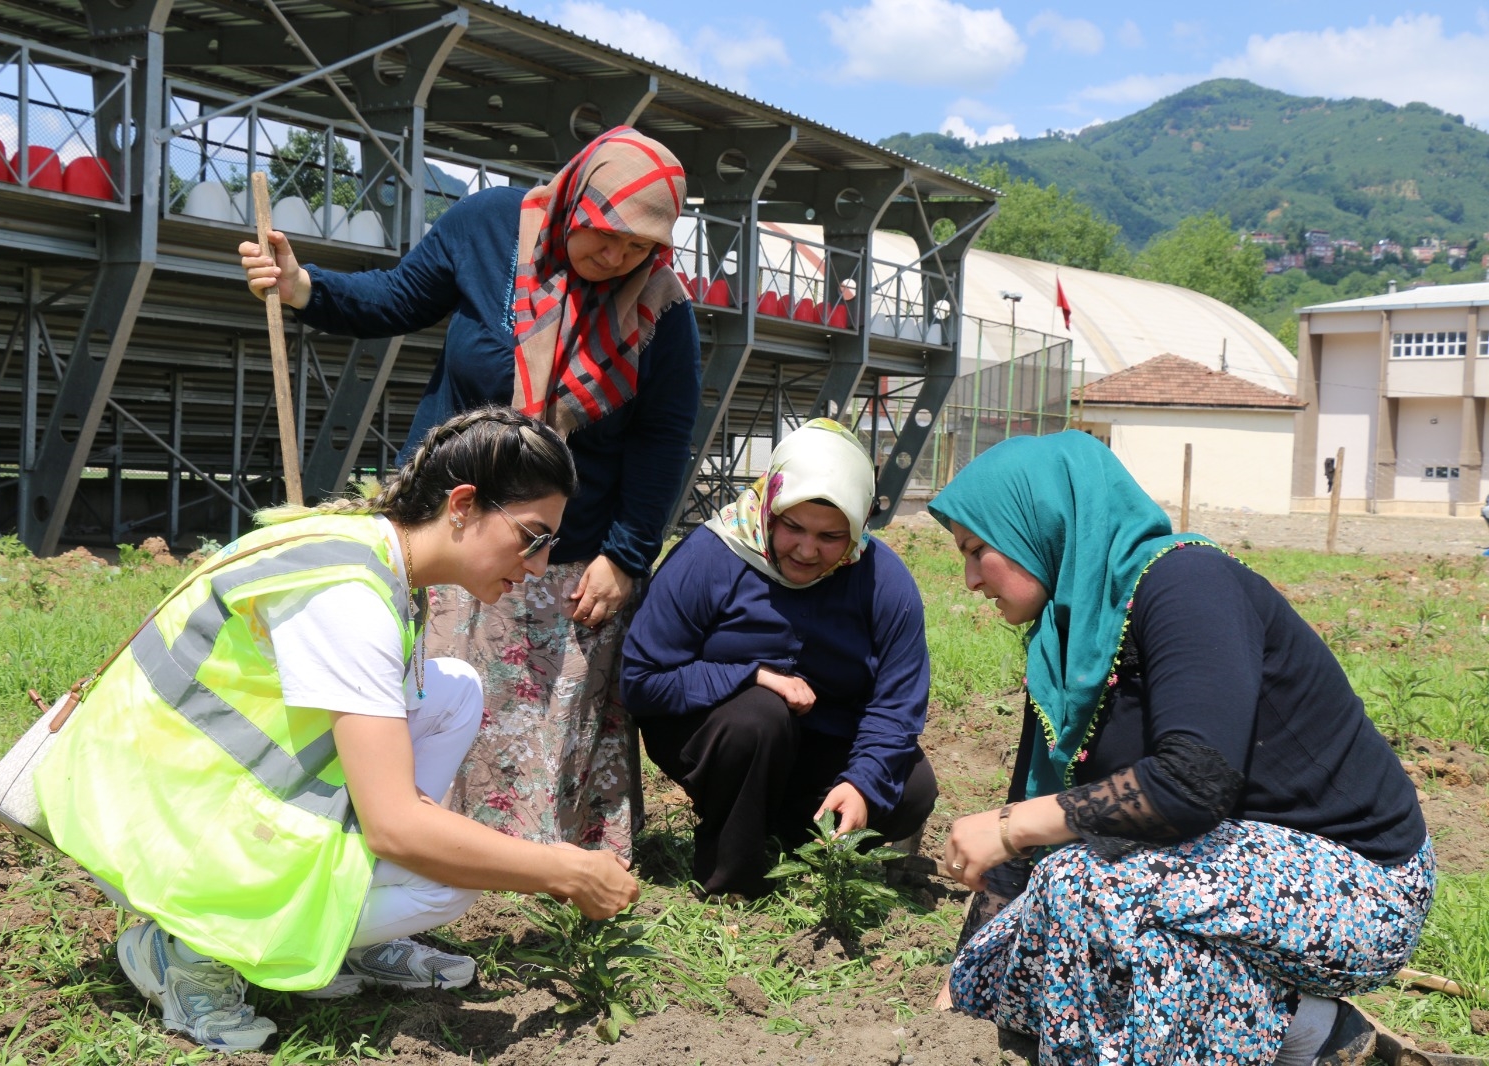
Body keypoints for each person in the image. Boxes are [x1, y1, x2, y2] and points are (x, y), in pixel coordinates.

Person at [34, 408, 639, 1052]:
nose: (541, 565)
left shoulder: (372, 553)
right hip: (149, 818)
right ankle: (184, 946)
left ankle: (343, 937)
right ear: (463, 504)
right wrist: (564, 870)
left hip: (177, 778)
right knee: (447, 882)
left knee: (454, 690)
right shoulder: (349, 598)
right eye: (532, 537)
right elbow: (397, 827)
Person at [240, 126, 700, 855]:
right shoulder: (488, 228)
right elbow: (393, 299)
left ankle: (540, 855)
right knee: (417, 694)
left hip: (567, 552)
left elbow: (663, 440)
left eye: (638, 247)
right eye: (602, 235)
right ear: (574, 199)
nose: (614, 258)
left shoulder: (662, 310)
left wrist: (628, 554)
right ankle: (407, 837)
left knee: (545, 713)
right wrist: (304, 287)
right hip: (450, 528)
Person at [927, 432, 1433, 1066]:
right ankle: (1313, 1033)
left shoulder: (1187, 583)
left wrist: (1010, 829)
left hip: (1356, 887)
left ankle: (1299, 1030)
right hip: (1217, 870)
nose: (971, 579)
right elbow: (1033, 798)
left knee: (1084, 886)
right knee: (1008, 977)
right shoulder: (1065, 637)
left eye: (978, 551)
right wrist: (967, 977)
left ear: (1043, 525)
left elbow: (1194, 780)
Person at [620, 418, 937, 898]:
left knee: (911, 787)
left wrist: (863, 783)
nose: (807, 550)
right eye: (792, 526)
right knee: (760, 717)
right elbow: (641, 681)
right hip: (718, 736)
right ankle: (732, 875)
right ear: (768, 504)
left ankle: (791, 836)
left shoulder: (883, 582)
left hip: (817, 743)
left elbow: (897, 705)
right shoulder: (711, 556)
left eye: (831, 536)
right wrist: (751, 675)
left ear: (858, 527)